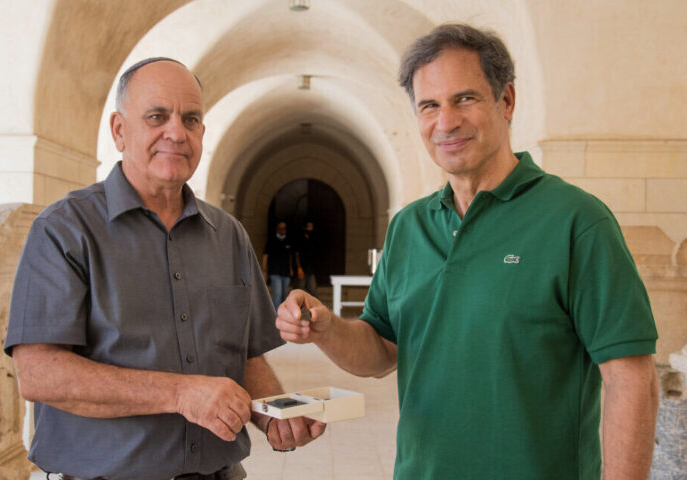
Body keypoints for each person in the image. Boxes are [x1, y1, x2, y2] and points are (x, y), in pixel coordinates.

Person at [276, 24, 659, 480]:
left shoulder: (576, 221)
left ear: (507, 100)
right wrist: (327, 328)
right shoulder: (409, 227)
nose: (446, 121)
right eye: (429, 106)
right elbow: (381, 349)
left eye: (465, 99)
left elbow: (631, 377)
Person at [5, 57, 325, 480]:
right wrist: (181, 393)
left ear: (201, 133)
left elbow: (245, 358)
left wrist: (274, 414)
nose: (176, 132)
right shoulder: (64, 230)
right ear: (119, 130)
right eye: (157, 116)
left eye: (190, 119)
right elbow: (39, 374)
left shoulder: (228, 235)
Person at [262, 221, 294, 310]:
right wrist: (264, 270)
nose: (282, 230)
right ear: (277, 230)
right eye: (280, 228)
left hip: (286, 272)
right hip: (275, 272)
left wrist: (291, 268)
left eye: (284, 228)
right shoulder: (271, 241)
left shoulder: (288, 241)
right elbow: (265, 256)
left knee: (284, 296)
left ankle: (282, 315)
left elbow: (290, 256)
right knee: (277, 295)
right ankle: (276, 317)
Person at [294, 221, 317, 297]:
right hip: (302, 268)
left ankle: (313, 308)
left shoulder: (313, 239)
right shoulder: (300, 239)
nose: (311, 228)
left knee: (312, 290)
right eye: (309, 226)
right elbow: (296, 254)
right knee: (299, 290)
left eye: (312, 226)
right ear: (305, 228)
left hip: (310, 269)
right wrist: (299, 268)